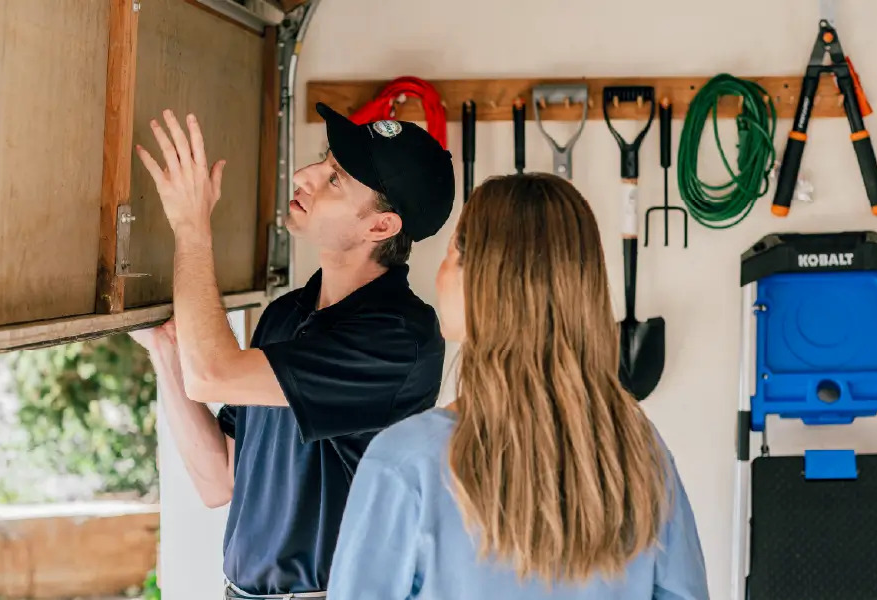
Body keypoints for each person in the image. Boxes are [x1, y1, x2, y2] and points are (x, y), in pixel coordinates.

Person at [325, 173, 709, 599]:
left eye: (453, 252)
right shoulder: (638, 452)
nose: (442, 271)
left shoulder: (405, 463)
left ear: (483, 281)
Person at [129, 103, 456, 599]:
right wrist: (164, 351)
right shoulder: (286, 316)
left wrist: (192, 227)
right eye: (324, 162)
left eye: (336, 180)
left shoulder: (396, 337)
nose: (305, 176)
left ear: (381, 228)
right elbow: (220, 479)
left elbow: (212, 373)